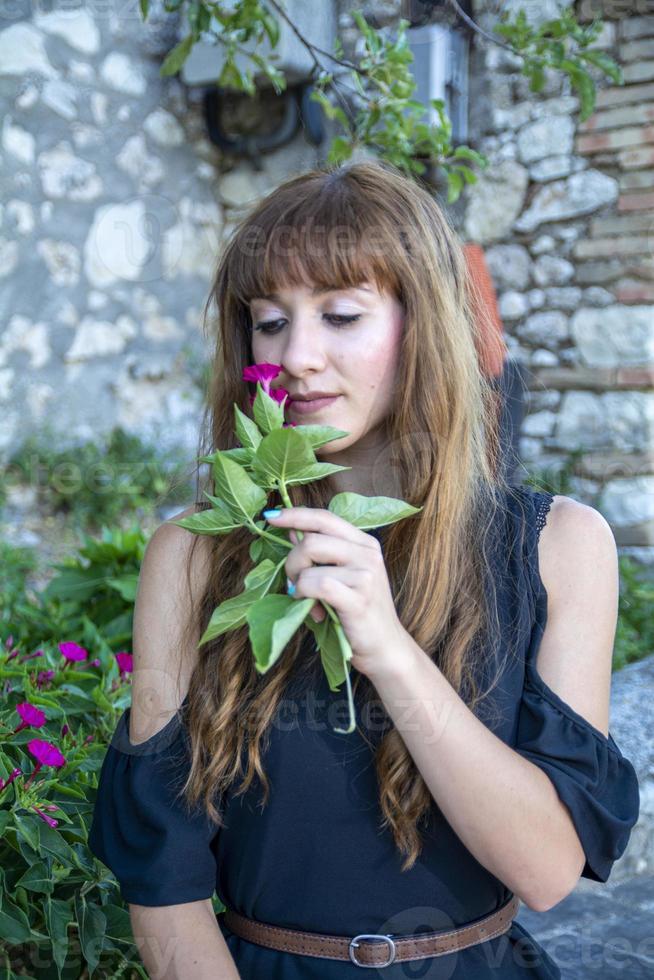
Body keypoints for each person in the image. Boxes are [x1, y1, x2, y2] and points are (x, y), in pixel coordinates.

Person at [89, 159, 640, 979]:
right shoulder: (197, 556)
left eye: (342, 315)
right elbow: (165, 891)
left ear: (423, 324)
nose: (298, 356)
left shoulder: (560, 546)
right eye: (269, 322)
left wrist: (385, 645)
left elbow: (549, 869)